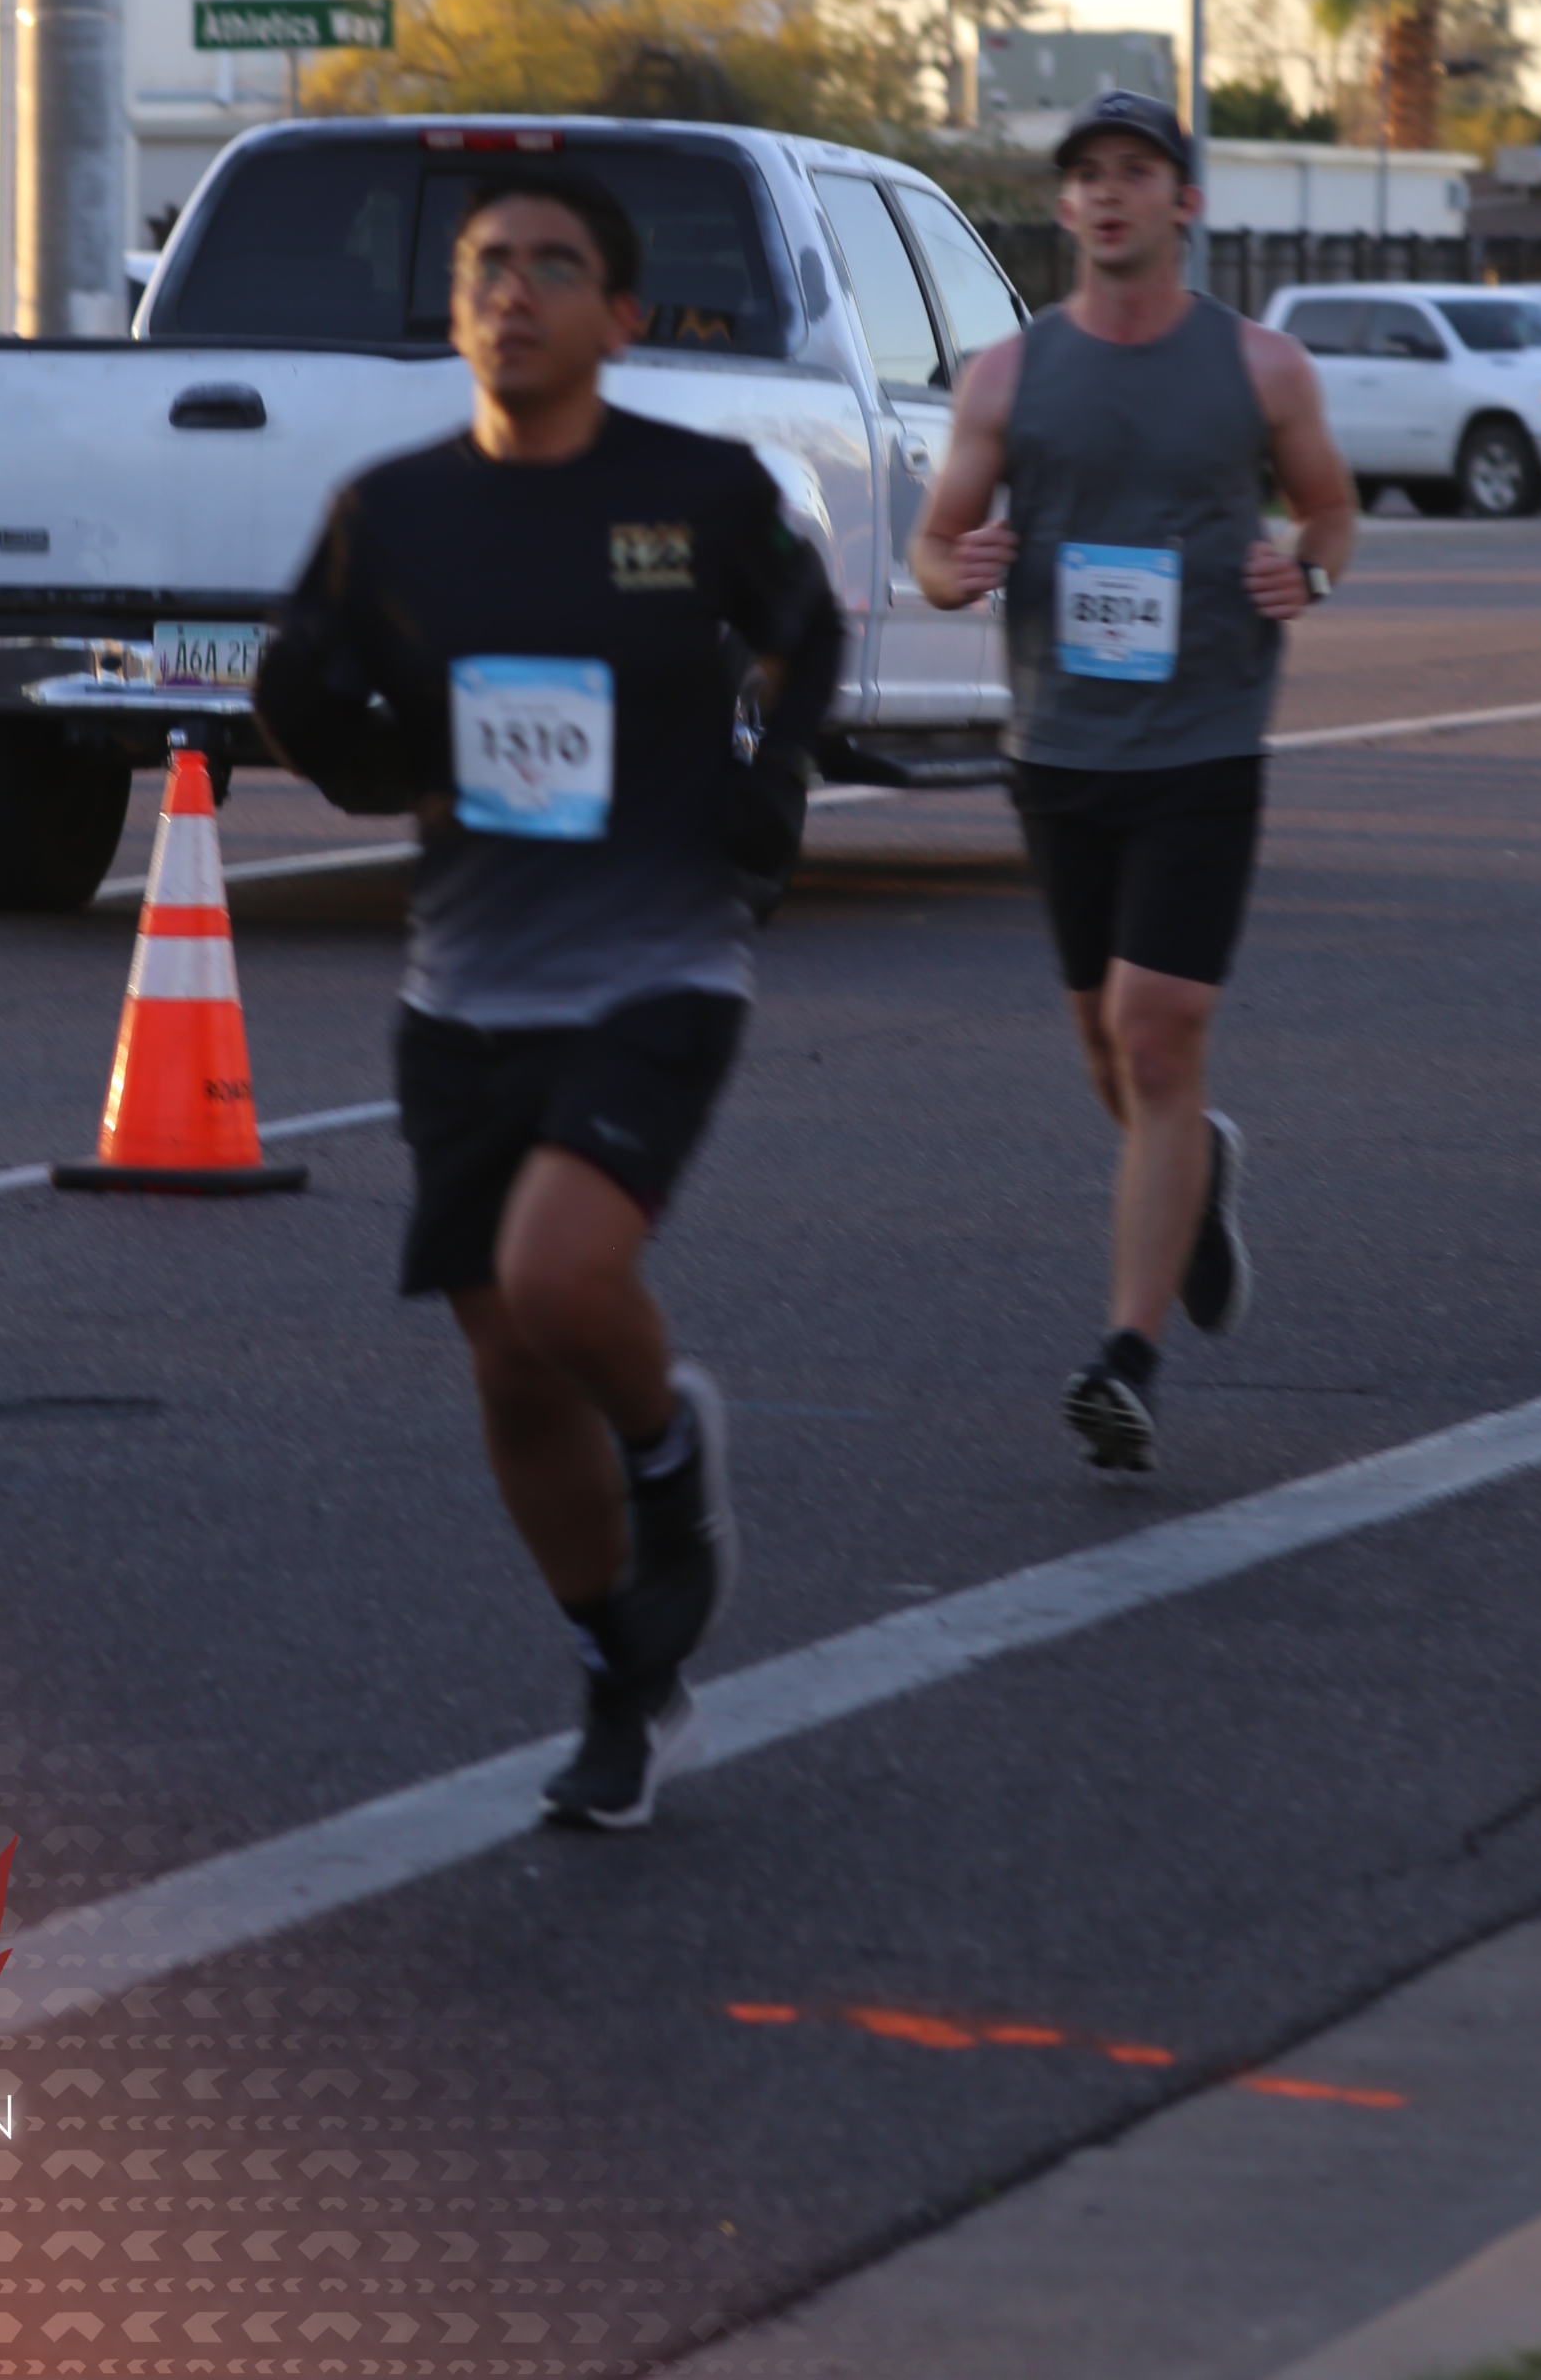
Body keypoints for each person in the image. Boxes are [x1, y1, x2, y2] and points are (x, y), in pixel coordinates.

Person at [257, 166, 842, 1827]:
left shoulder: (700, 489)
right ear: (457, 311)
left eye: (553, 266)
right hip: (465, 984)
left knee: (559, 1273)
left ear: (623, 318)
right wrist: (372, 759)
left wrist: (771, 777)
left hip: (660, 959)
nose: (513, 291)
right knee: (512, 1369)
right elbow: (301, 680)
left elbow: (804, 630)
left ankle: (668, 1463)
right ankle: (621, 1677)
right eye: (486, 266)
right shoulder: (392, 511)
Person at [910, 91, 1355, 1472]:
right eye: (1088, 175)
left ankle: (1128, 1359)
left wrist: (1309, 573)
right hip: (1058, 749)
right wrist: (957, 571)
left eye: (1137, 172)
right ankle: (1196, 1166)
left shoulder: (1263, 367)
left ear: (1185, 203)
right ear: (1066, 206)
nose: (1109, 193)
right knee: (1112, 1056)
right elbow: (934, 544)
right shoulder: (1007, 375)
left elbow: (1330, 509)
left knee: (1154, 1031)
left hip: (1204, 741)